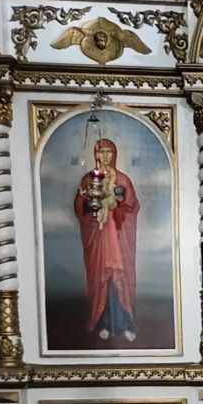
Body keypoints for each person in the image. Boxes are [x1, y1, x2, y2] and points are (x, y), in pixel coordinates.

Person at [74, 138, 139, 342]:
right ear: (95, 155)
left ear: (114, 154)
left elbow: (132, 208)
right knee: (101, 279)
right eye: (100, 152)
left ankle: (124, 324)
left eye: (108, 152)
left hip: (117, 239)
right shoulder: (88, 180)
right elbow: (80, 206)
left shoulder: (123, 181)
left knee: (119, 279)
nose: (104, 156)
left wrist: (116, 206)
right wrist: (91, 205)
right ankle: (103, 324)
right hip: (99, 238)